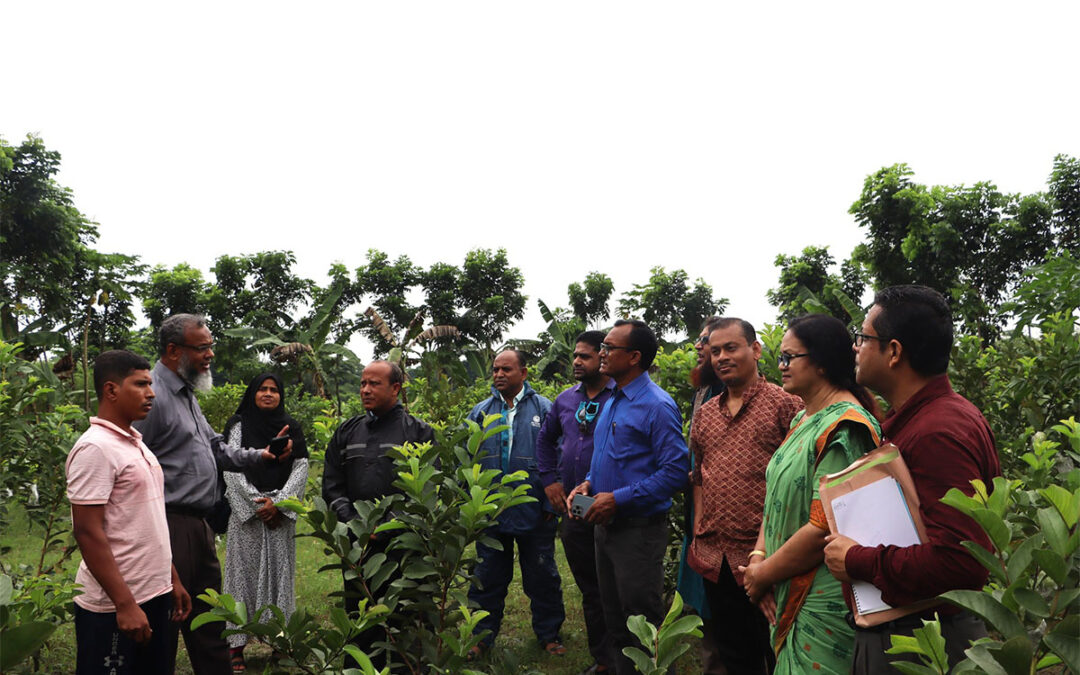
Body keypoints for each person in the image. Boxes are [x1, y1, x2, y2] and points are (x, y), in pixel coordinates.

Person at [824, 285, 1001, 672]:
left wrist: (856, 559)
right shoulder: (927, 419)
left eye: (864, 337)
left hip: (925, 641)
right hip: (914, 631)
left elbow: (960, 561)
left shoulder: (938, 432)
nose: (856, 347)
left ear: (894, 352)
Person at [134, 314, 291, 675]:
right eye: (202, 347)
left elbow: (216, 448)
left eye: (210, 346)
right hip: (168, 525)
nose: (210, 355)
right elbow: (133, 460)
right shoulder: (152, 397)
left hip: (199, 527)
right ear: (174, 350)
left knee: (209, 626)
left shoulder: (186, 394)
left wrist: (261, 455)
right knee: (166, 624)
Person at [739, 314, 883, 674]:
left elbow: (823, 526)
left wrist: (763, 575)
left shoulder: (845, 426)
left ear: (820, 362)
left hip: (820, 597)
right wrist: (758, 557)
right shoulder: (802, 419)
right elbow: (776, 501)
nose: (781, 366)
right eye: (781, 358)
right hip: (784, 582)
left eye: (789, 357)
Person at [567, 319, 689, 675]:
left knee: (642, 621)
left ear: (634, 357)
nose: (601, 354)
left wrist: (617, 499)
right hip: (604, 525)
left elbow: (674, 472)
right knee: (615, 616)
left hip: (637, 530)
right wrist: (588, 484)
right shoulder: (613, 400)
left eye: (609, 348)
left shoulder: (657, 405)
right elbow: (605, 456)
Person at [687, 317, 803, 675]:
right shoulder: (705, 413)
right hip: (716, 558)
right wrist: (698, 528)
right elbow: (700, 476)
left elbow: (801, 481)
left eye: (732, 347)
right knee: (733, 651)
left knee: (776, 651)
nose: (721, 357)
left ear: (755, 349)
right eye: (716, 350)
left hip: (767, 558)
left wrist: (773, 555)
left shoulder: (787, 406)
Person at [67, 349, 192, 675]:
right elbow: (87, 531)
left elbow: (148, 522)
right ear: (111, 390)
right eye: (140, 384)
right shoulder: (95, 448)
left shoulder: (135, 443)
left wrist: (171, 578)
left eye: (150, 384)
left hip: (153, 594)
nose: (151, 393)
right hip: (115, 605)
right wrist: (124, 604)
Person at [321, 360, 434, 669]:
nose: (365, 390)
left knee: (405, 625)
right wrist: (355, 523)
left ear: (395, 388)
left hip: (404, 548)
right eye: (362, 383)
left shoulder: (419, 432)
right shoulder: (347, 431)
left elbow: (426, 490)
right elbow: (331, 486)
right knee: (361, 622)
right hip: (358, 547)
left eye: (374, 384)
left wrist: (388, 525)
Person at [467, 349, 566, 658]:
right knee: (487, 577)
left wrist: (551, 506)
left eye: (506, 369)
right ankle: (481, 638)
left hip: (535, 510)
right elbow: (467, 460)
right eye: (495, 369)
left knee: (542, 575)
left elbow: (561, 456)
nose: (499, 374)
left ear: (524, 373)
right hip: (490, 512)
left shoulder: (546, 409)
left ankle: (549, 634)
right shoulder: (480, 412)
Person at [535, 331, 615, 674]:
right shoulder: (567, 399)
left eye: (584, 356)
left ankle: (631, 656)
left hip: (615, 504)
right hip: (575, 505)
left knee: (619, 585)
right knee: (590, 585)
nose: (577, 362)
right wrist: (549, 480)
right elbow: (545, 439)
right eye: (575, 356)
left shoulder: (620, 397)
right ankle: (603, 658)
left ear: (603, 356)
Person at [221, 373, 309, 672]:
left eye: (274, 390)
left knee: (279, 578)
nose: (269, 394)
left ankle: (280, 642)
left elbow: (301, 466)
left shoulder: (292, 426)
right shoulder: (239, 425)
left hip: (279, 517)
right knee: (241, 577)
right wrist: (258, 504)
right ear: (252, 393)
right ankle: (236, 645)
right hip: (247, 515)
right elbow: (231, 467)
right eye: (262, 389)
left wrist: (280, 505)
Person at [675, 317, 726, 675]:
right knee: (710, 610)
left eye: (705, 340)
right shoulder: (703, 394)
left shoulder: (735, 395)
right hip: (700, 519)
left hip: (729, 527)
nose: (698, 347)